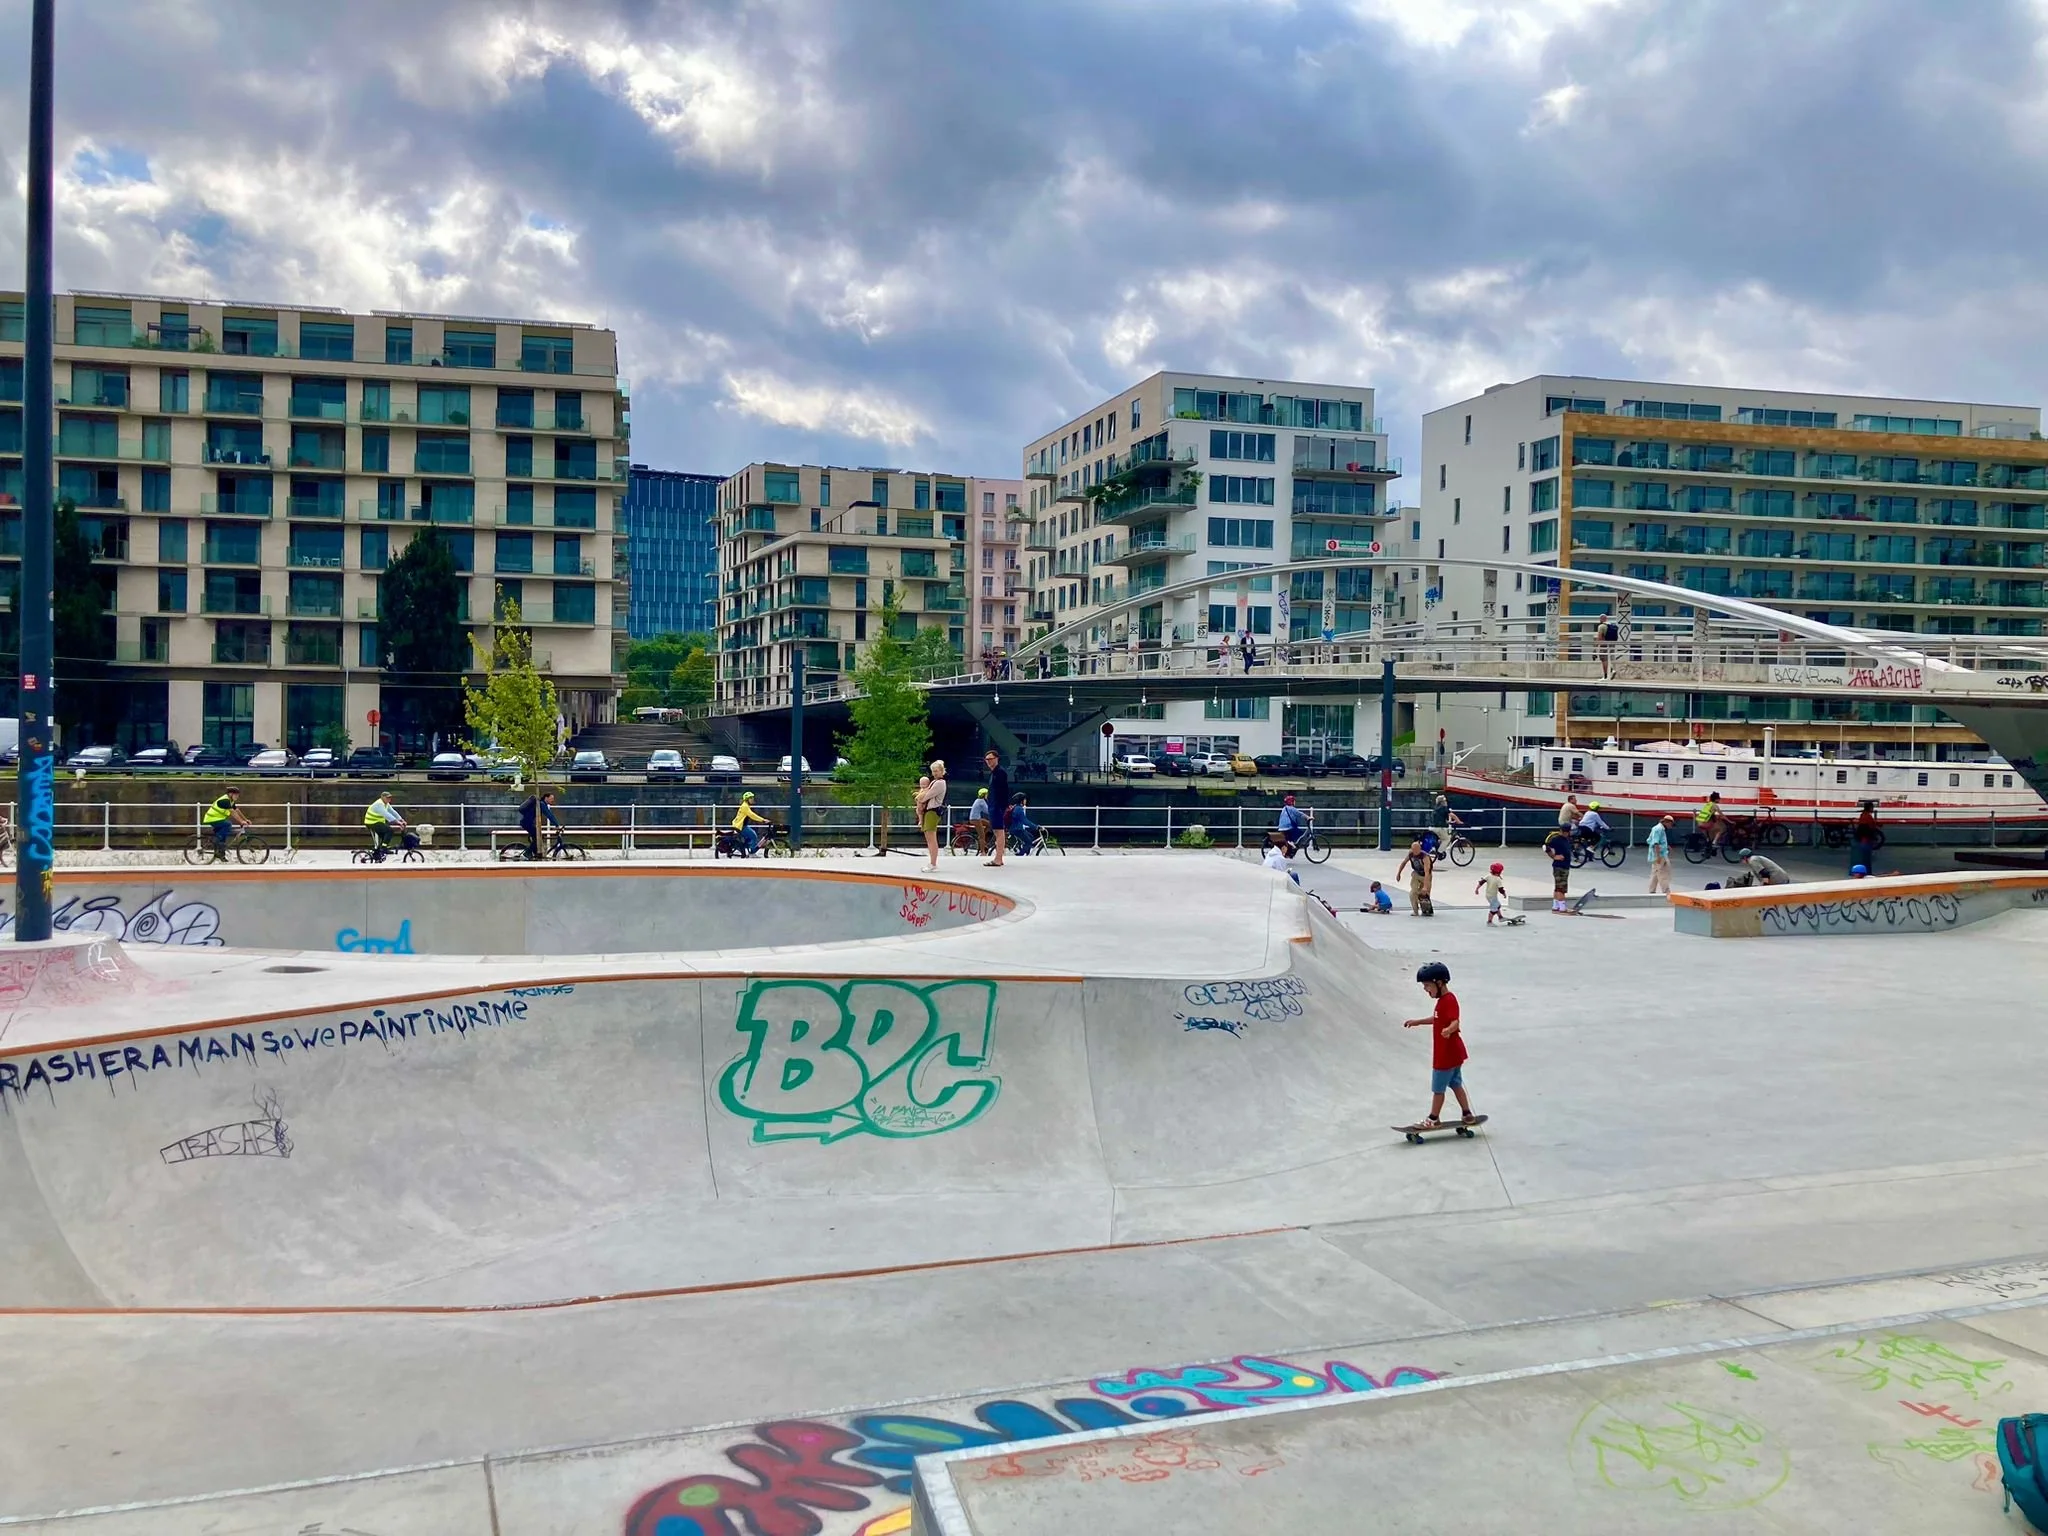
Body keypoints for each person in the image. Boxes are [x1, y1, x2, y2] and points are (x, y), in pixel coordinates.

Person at [1402, 961, 1474, 1129]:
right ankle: (1467, 1113)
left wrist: (1448, 1030)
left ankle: (1433, 1118)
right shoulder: (1443, 1000)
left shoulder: (1449, 1000)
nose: (1425, 989)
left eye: (1427, 985)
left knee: (1438, 1089)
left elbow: (1455, 1021)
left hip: (1445, 1055)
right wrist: (1418, 1021)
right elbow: (1437, 1019)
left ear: (1439, 983)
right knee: (1456, 1083)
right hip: (1454, 1054)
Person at [916, 758, 948, 873]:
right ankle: (932, 862)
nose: (934, 773)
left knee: (931, 838)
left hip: (932, 812)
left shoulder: (939, 783)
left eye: (936, 771)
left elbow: (925, 796)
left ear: (942, 771)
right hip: (929, 811)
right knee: (929, 838)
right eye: (933, 771)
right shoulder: (935, 782)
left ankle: (933, 863)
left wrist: (920, 797)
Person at [202, 787, 250, 860]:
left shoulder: (231, 801)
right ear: (230, 794)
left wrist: (245, 819)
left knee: (223, 837)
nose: (237, 797)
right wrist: (241, 821)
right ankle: (217, 842)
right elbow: (232, 812)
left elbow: (236, 810)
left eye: (238, 795)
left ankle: (221, 854)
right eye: (236, 795)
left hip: (218, 819)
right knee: (228, 824)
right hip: (212, 818)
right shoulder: (225, 800)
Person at [983, 749, 1012, 866]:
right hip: (994, 805)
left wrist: (1003, 806)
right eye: (987, 759)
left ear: (997, 759)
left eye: (991, 759)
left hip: (997, 806)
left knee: (999, 831)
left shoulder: (1000, 772)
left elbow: (1004, 790)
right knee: (997, 831)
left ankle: (998, 858)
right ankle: (998, 858)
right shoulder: (994, 773)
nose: (988, 761)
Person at [519, 786, 561, 860]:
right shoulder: (541, 804)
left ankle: (535, 854)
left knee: (537, 838)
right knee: (537, 838)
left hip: (528, 822)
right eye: (551, 798)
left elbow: (549, 814)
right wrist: (557, 825)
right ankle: (527, 853)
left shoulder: (541, 804)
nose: (553, 800)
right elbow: (549, 815)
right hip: (527, 823)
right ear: (546, 798)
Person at [1396, 838, 1434, 916]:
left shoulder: (1425, 857)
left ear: (1420, 849)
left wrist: (1425, 886)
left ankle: (1425, 909)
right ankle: (1415, 911)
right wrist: (1399, 873)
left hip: (1426, 876)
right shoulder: (1410, 854)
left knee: (1424, 894)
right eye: (1413, 850)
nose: (1415, 852)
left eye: (1417, 850)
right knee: (1413, 893)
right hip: (1416, 874)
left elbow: (1427, 872)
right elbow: (1404, 863)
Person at [363, 791, 407, 857]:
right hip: (371, 822)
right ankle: (384, 848)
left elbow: (392, 812)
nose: (389, 799)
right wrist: (398, 822)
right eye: (387, 798)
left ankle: (378, 852)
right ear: (382, 797)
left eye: (390, 798)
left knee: (385, 836)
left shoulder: (386, 804)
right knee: (389, 831)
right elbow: (386, 815)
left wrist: (401, 819)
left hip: (377, 822)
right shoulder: (379, 804)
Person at [1543, 823, 1574, 912]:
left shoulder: (1566, 839)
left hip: (1564, 866)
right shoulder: (1556, 839)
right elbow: (1545, 847)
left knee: (1558, 887)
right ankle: (1562, 907)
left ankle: (1555, 905)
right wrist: (1554, 856)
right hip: (1560, 867)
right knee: (1561, 887)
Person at [732, 790, 771, 855]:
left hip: (741, 825)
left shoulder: (745, 805)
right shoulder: (745, 806)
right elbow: (752, 815)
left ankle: (748, 848)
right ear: (747, 799)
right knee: (753, 835)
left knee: (750, 836)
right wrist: (763, 820)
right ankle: (752, 851)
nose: (753, 799)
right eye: (751, 798)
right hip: (740, 826)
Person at [1850, 800, 1881, 874]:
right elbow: (1871, 826)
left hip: (1861, 839)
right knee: (1866, 859)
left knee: (1861, 858)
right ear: (1870, 808)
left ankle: (1860, 872)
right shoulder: (1868, 816)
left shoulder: (1862, 815)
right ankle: (1867, 872)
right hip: (1865, 840)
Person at [1646, 813, 1674, 895]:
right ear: (1667, 822)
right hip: (1660, 855)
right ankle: (1666, 892)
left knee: (1655, 873)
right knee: (1663, 874)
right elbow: (1656, 843)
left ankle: (1652, 891)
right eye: (1671, 824)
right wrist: (1658, 856)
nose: (1671, 826)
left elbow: (1651, 840)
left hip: (1657, 854)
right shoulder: (1659, 829)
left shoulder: (1658, 828)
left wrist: (1667, 846)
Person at [966, 787, 992, 856]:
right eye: (987, 794)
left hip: (975, 818)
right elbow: (987, 811)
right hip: (975, 819)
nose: (988, 795)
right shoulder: (981, 801)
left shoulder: (978, 800)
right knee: (982, 836)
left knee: (990, 824)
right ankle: (982, 852)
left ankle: (982, 836)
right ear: (984, 795)